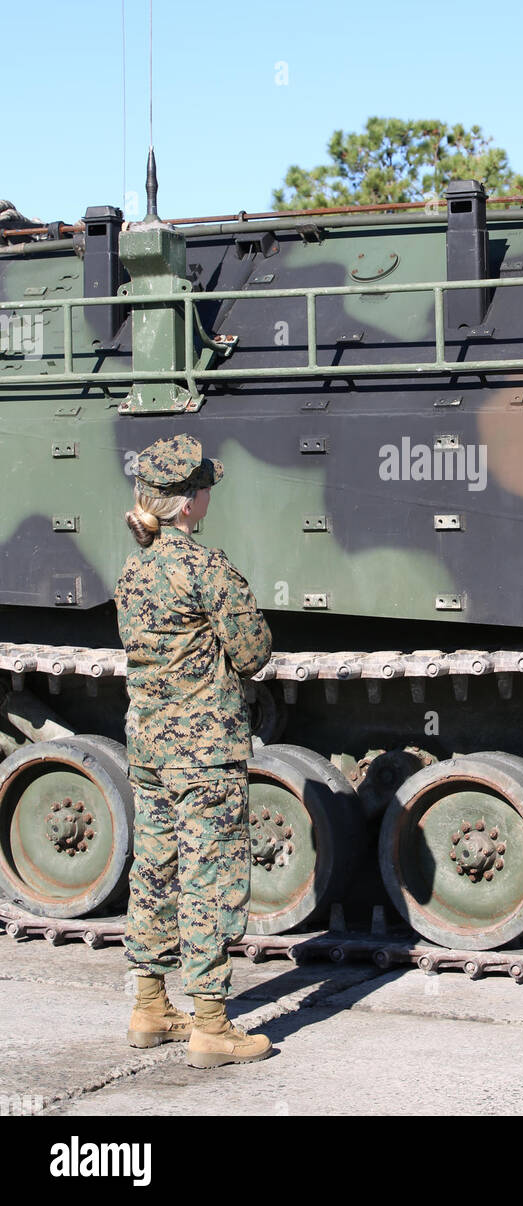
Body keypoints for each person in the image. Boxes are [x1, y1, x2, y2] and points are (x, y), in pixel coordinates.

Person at [116, 434, 274, 1069]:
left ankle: (150, 1007)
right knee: (209, 876)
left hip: (149, 747)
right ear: (187, 503)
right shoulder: (206, 568)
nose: (209, 494)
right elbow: (253, 653)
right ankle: (211, 1025)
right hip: (203, 753)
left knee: (154, 870)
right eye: (204, 486)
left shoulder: (134, 569)